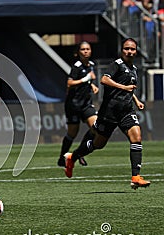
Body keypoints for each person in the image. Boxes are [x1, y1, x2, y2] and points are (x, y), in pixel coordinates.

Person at [64, 38, 150, 190]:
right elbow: (104, 80)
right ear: (121, 50)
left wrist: (135, 100)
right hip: (109, 112)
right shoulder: (116, 65)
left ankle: (135, 176)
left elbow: (129, 88)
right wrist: (124, 88)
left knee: (136, 136)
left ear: (136, 51)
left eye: (132, 49)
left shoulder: (134, 69)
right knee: (98, 144)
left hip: (126, 111)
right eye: (126, 49)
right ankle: (73, 157)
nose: (129, 51)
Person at [57, 42, 99, 167]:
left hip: (86, 104)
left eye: (88, 49)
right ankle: (62, 157)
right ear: (79, 52)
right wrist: (86, 79)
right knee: (72, 134)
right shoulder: (77, 66)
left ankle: (79, 153)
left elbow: (85, 81)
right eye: (83, 49)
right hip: (73, 105)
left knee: (96, 128)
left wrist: (91, 85)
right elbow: (69, 83)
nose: (85, 51)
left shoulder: (91, 65)